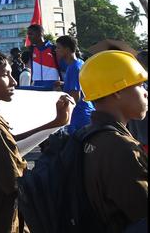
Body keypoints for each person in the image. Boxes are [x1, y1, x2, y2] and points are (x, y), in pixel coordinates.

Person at [0, 50, 73, 233]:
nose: (14, 82)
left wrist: (55, 123)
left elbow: (9, 142)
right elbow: (18, 184)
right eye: (5, 75)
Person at [79, 50, 148, 231]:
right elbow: (142, 211)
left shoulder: (87, 134)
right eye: (140, 85)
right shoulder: (120, 147)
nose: (145, 93)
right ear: (117, 92)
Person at [54, 35, 94, 134]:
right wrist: (64, 84)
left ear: (67, 49)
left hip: (79, 117)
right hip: (86, 113)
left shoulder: (73, 68)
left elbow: (75, 96)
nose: (56, 50)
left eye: (58, 47)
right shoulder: (80, 63)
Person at [26, 24, 62, 89]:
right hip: (36, 86)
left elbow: (63, 68)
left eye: (31, 34)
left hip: (53, 86)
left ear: (40, 34)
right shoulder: (32, 50)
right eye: (28, 34)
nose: (29, 37)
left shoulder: (53, 49)